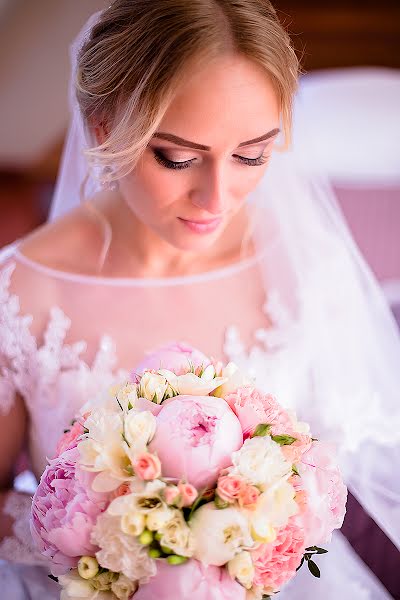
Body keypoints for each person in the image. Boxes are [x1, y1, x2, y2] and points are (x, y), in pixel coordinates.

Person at [0, 1, 399, 598]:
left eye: (251, 155)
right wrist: (113, 545)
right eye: (178, 158)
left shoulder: (302, 260)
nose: (217, 196)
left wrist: (277, 524)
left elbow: (353, 451)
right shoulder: (19, 293)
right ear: (106, 126)